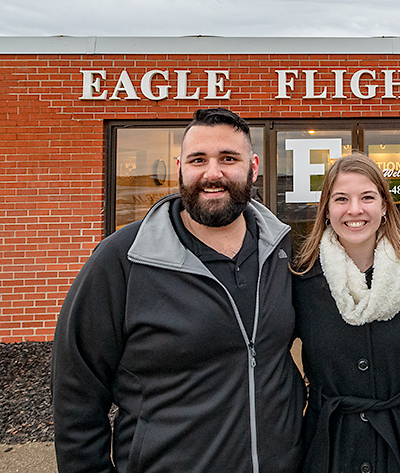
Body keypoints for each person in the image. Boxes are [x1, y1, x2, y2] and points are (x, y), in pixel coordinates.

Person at [52, 108, 305, 472]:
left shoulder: (281, 251)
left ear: (252, 167)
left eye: (228, 159)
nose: (212, 173)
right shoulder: (124, 258)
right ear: (180, 168)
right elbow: (76, 393)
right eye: (198, 159)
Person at [292, 153, 400, 473]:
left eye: (367, 197)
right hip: (328, 446)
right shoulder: (301, 278)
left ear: (384, 206)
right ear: (327, 210)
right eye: (341, 199)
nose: (355, 210)